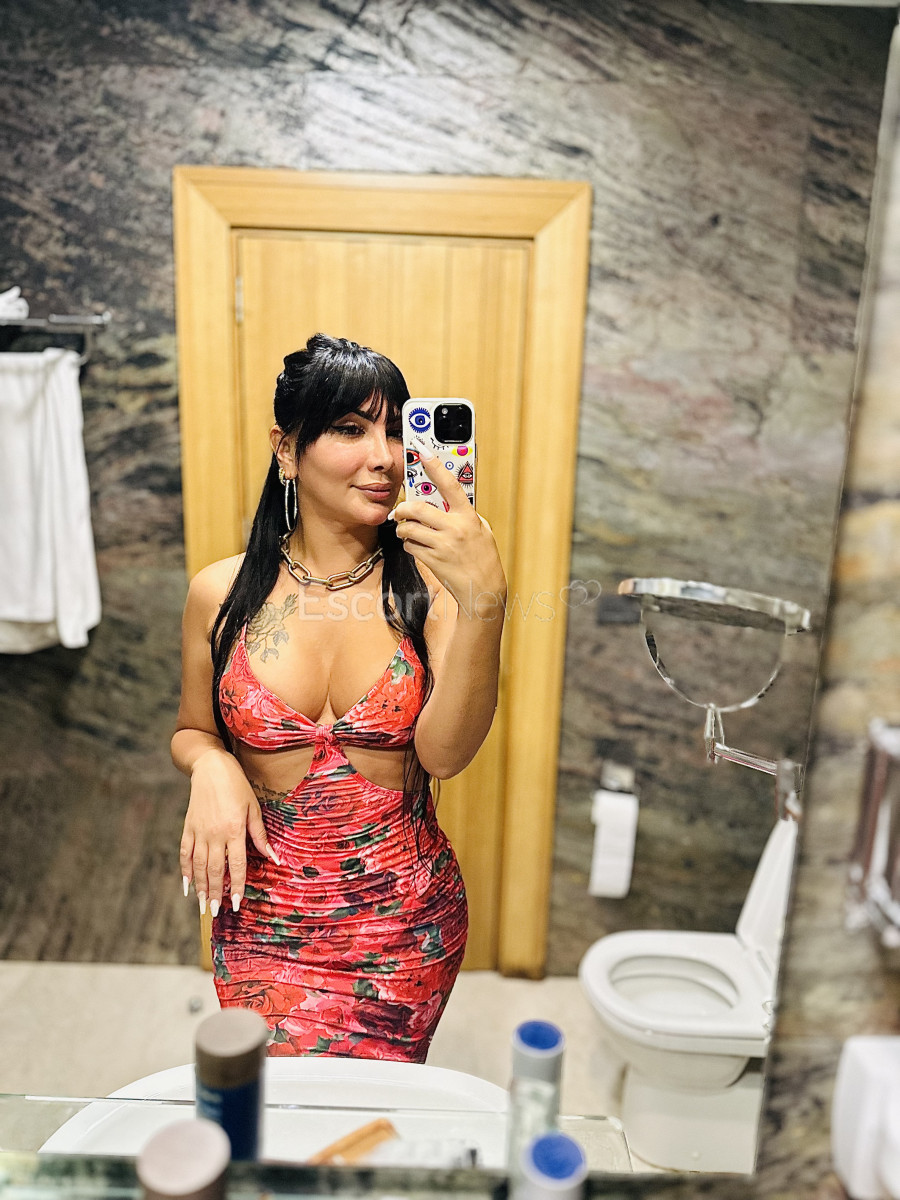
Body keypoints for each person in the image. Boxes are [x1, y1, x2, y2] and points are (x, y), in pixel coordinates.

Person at [172, 333, 506, 1061]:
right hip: (261, 919)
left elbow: (445, 756)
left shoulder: (434, 591)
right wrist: (213, 765)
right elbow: (192, 730)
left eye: (395, 430)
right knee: (278, 1109)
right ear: (287, 449)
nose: (384, 456)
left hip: (404, 926)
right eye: (350, 429)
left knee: (373, 1117)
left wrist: (486, 603)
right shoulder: (219, 593)